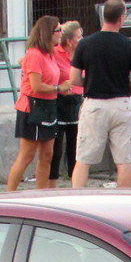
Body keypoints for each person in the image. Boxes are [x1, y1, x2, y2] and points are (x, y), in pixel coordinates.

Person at [69, 0, 131, 189]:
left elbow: (74, 79)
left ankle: (76, 199)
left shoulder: (85, 44)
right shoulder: (129, 45)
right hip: (120, 103)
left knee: (84, 158)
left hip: (94, 103)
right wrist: (122, 83)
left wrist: (92, 81)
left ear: (104, 16)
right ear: (121, 17)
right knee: (123, 160)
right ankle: (124, 201)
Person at [6, 16, 67, 191]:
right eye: (58, 30)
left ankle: (42, 194)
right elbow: (36, 86)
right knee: (27, 155)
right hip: (32, 107)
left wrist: (65, 87)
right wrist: (58, 87)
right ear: (48, 33)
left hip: (49, 106)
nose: (60, 33)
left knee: (47, 154)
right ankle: (9, 194)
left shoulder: (50, 53)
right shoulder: (34, 54)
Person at [49, 21, 84, 183]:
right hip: (59, 101)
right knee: (55, 149)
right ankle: (50, 185)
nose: (82, 39)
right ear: (69, 41)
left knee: (75, 147)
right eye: (79, 37)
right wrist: (59, 87)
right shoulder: (54, 52)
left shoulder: (81, 54)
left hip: (77, 101)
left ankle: (74, 183)